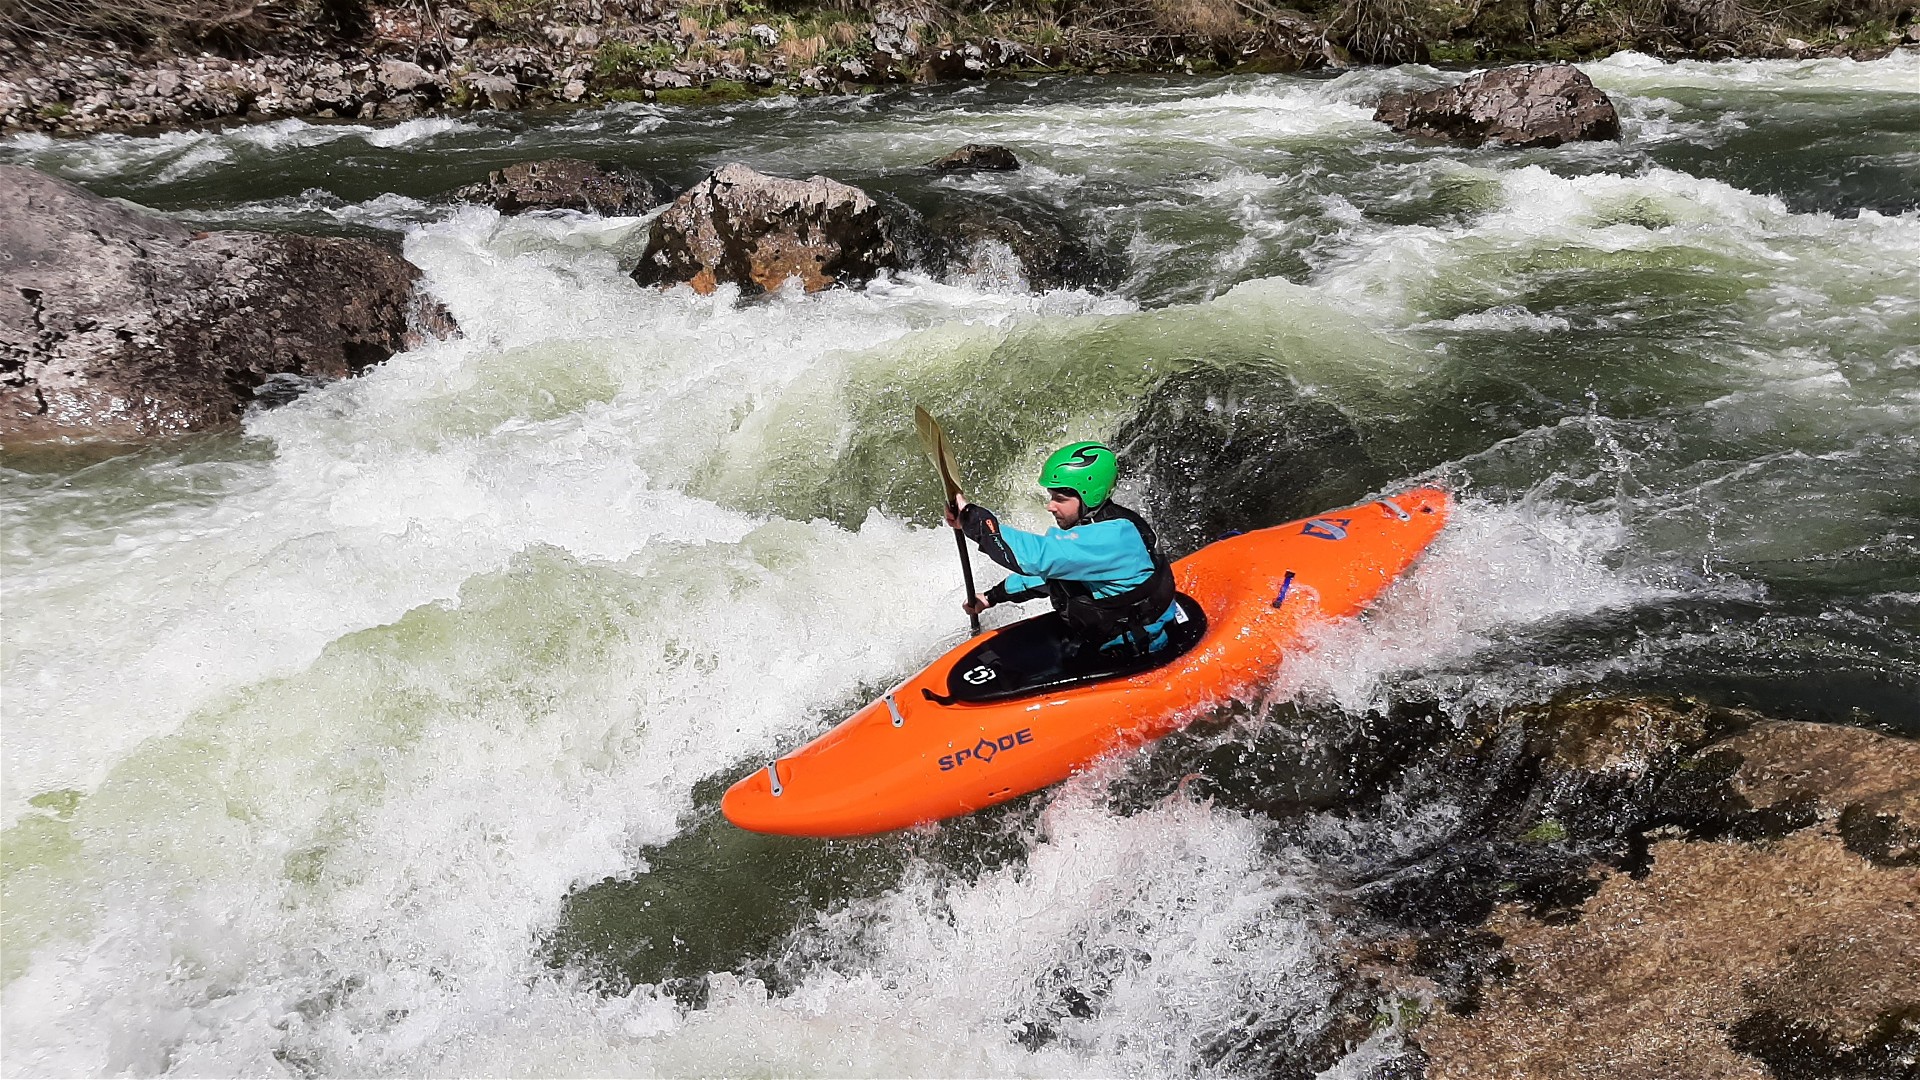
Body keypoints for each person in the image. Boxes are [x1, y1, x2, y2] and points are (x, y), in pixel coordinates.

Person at [945, 441, 1180, 656]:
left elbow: (1034, 558)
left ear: (1090, 495)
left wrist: (970, 517)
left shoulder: (1110, 538)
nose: (1050, 506)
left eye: (1060, 499)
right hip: (1121, 629)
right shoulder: (1107, 524)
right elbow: (1053, 574)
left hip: (1134, 650)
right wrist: (992, 597)